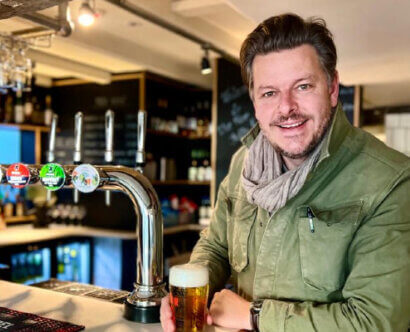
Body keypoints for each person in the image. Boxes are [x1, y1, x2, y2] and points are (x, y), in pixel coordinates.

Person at [160, 13, 410, 332]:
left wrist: (255, 316)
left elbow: (376, 321)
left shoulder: (390, 180)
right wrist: (191, 289)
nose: (286, 107)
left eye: (302, 86)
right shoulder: (243, 163)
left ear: (332, 88)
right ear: (254, 101)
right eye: (269, 93)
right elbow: (217, 245)